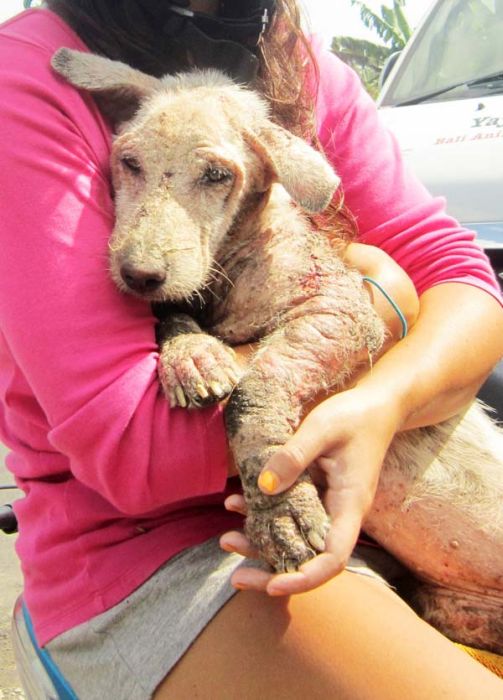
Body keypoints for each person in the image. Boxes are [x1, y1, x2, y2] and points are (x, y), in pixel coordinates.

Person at [0, 1, 502, 698]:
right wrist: (384, 309)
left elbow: (455, 276)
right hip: (157, 544)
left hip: (380, 518)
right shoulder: (28, 79)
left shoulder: (295, 59)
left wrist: (385, 401)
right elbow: (133, 448)